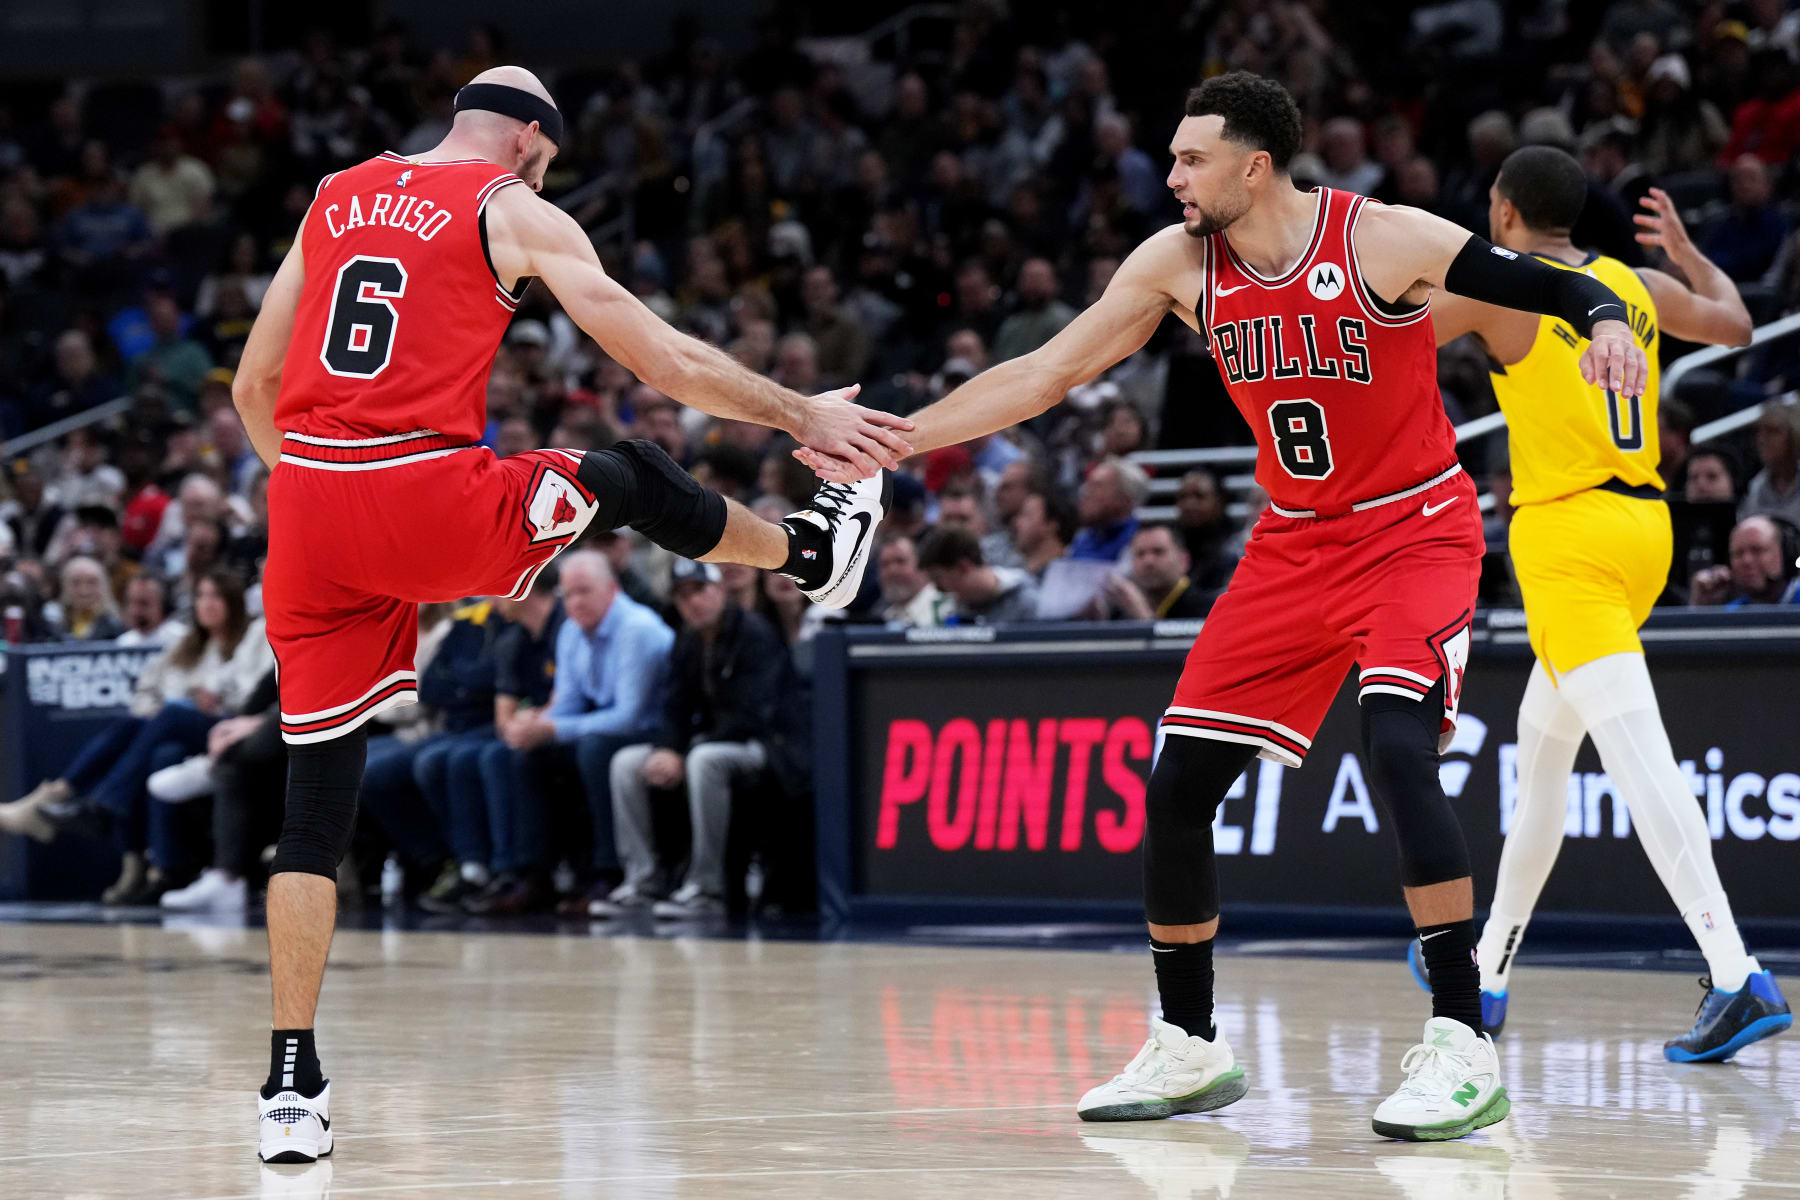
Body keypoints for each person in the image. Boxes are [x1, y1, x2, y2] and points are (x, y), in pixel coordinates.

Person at [796, 70, 1649, 1141]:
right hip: (1293, 543)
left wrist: (1609, 319)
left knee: (1396, 747)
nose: (1171, 177)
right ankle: (1189, 1041)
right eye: (1172, 158)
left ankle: (1461, 1039)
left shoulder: (1378, 237)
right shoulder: (1176, 262)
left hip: (1413, 530)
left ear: (1255, 166)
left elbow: (1541, 280)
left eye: (1190, 159)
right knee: (1179, 784)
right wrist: (897, 439)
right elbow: (1046, 371)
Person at [232, 65, 911, 1163]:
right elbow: (664, 360)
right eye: (550, 162)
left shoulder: (336, 193)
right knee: (627, 471)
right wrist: (801, 414)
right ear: (530, 142)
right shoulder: (510, 207)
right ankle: (811, 553)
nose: (549, 177)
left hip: (306, 510)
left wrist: (330, 500)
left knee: (314, 813)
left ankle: (290, 1088)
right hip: (420, 496)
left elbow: (252, 389)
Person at [1422, 145, 1787, 1062]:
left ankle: (1736, 973)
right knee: (1543, 763)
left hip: (1568, 539)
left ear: (1504, 212)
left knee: (1638, 760)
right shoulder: (1635, 284)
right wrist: (1690, 256)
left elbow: (1386, 325)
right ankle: (1488, 974)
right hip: (1643, 532)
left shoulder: (1503, 292)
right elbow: (1736, 323)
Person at [0, 570, 272, 900]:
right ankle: (165, 868)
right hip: (176, 732)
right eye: (201, 596)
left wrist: (206, 699)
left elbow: (253, 692)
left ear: (233, 602)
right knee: (157, 747)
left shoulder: (250, 637)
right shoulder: (185, 645)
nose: (207, 604)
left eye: (215, 596)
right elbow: (145, 692)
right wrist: (158, 710)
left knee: (169, 716)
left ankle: (86, 804)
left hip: (229, 724)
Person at [600, 559, 788, 919]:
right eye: (683, 596)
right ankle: (643, 880)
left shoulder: (755, 634)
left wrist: (684, 753)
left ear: (720, 590)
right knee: (626, 763)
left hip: (769, 745)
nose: (693, 602)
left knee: (704, 762)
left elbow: (751, 716)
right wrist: (667, 749)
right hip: (710, 741)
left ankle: (707, 888)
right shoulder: (687, 640)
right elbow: (674, 708)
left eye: (700, 590)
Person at [495, 550, 672, 916]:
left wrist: (553, 727)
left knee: (593, 750)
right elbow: (569, 702)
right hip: (606, 729)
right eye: (569, 594)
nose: (575, 602)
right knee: (528, 755)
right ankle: (535, 874)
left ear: (612, 589)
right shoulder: (572, 631)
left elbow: (629, 716)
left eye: (585, 591)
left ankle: (607, 872)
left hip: (657, 732)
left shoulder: (637, 629)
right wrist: (535, 724)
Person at [1104, 523, 1211, 620]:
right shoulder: (1122, 611)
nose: (1148, 561)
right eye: (1140, 554)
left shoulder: (1208, 608)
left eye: (1158, 552)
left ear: (1184, 561)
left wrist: (1143, 617)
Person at [1691, 515, 1800, 607]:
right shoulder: (1730, 612)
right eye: (1738, 553)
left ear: (1786, 554)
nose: (1746, 561)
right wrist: (1705, 609)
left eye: (1757, 550)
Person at [1740, 402, 1800, 527]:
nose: (1762, 439)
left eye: (1773, 431)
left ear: (1794, 434)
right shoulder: (1756, 486)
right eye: (1759, 432)